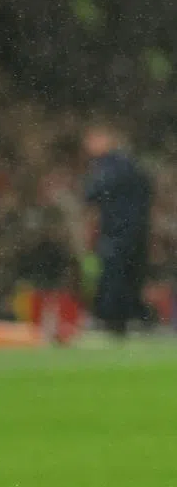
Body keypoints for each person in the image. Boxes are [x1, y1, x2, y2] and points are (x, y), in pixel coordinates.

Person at [82, 124, 154, 335]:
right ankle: (132, 318)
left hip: (115, 231)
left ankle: (110, 320)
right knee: (131, 275)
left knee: (112, 275)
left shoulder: (107, 167)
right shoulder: (134, 165)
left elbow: (91, 193)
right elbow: (147, 192)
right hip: (137, 231)